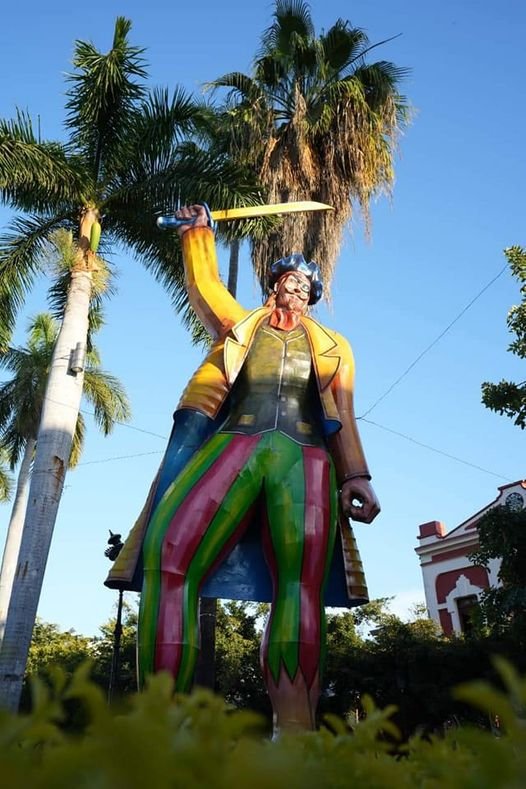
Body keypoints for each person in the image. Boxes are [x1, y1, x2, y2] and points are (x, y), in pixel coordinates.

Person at [107, 204, 380, 733]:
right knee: (170, 554)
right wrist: (199, 233)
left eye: (306, 286)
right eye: (289, 281)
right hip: (236, 442)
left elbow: (343, 414)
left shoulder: (333, 348)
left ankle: (296, 733)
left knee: (300, 584)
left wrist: (357, 476)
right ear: (273, 286)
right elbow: (205, 285)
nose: (297, 290)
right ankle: (161, 728)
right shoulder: (242, 324)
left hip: (304, 459)